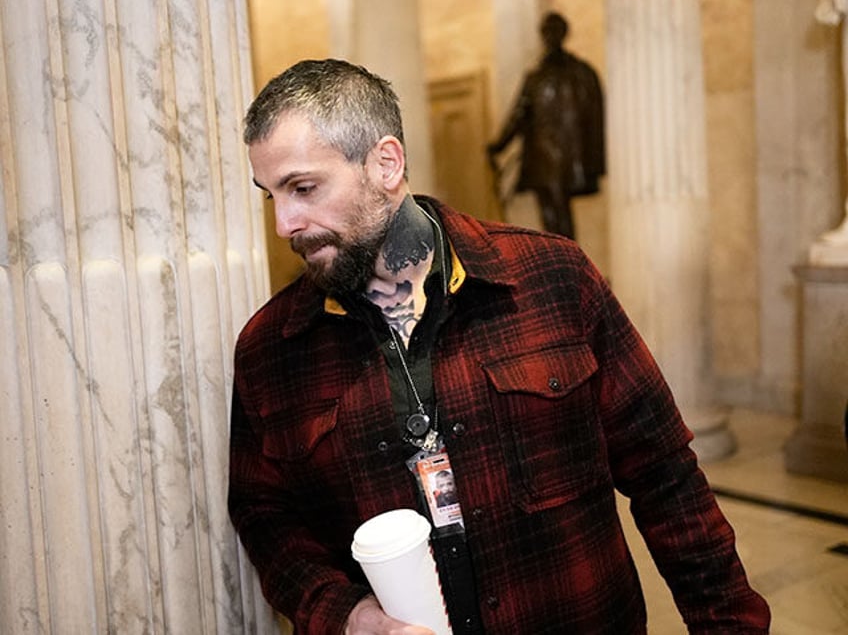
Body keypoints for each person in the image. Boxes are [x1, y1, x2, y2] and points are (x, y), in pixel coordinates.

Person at [228, 58, 770, 634]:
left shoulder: (552, 277)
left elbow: (667, 477)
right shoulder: (270, 349)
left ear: (386, 163)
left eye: (303, 188)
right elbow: (266, 518)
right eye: (271, 197)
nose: (286, 223)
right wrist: (348, 616)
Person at [487, 11, 605, 240]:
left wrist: (594, 161)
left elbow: (595, 120)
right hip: (544, 158)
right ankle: (563, 265)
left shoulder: (575, 75)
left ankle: (567, 266)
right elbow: (519, 116)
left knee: (558, 215)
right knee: (552, 215)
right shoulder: (543, 76)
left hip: (559, 159)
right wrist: (499, 146)